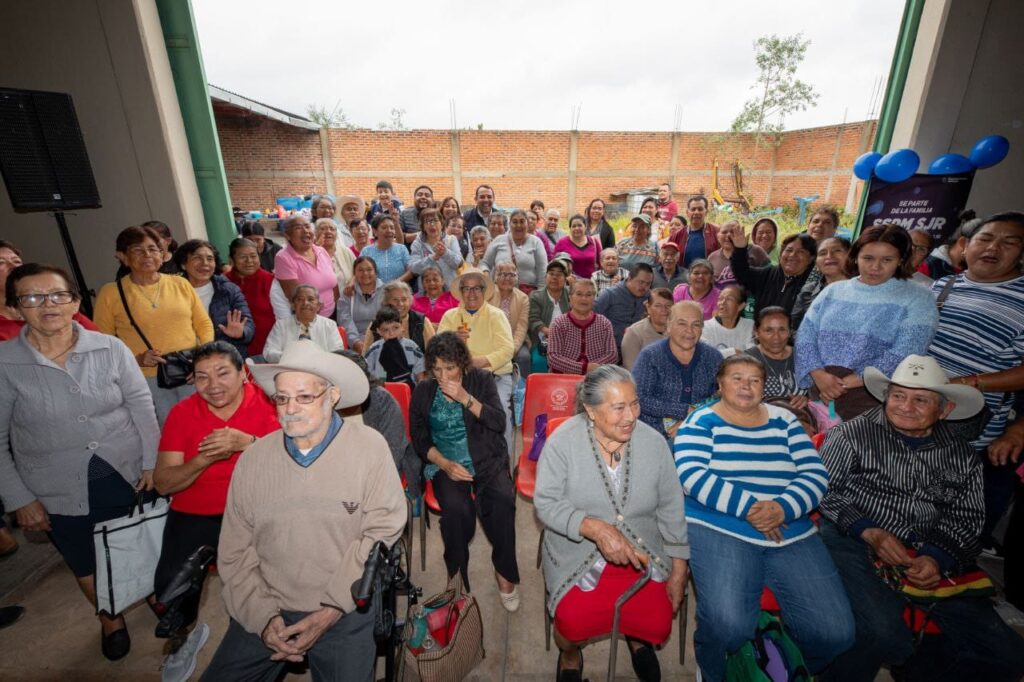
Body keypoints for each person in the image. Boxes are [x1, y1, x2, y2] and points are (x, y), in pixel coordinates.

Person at [200, 341, 406, 681]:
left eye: (304, 397)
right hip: (268, 603)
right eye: (282, 397)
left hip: (347, 605)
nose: (290, 408)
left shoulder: (369, 449)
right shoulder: (254, 460)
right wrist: (265, 619)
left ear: (332, 396)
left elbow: (381, 532)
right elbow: (235, 552)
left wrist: (331, 610)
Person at [817, 354, 1024, 682]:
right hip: (853, 540)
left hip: (929, 551)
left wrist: (936, 558)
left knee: (1008, 657)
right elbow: (824, 491)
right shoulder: (851, 434)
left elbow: (967, 518)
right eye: (898, 395)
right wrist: (870, 532)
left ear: (945, 409)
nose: (905, 406)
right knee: (883, 632)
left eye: (921, 400)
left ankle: (920, 668)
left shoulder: (961, 454)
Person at [0, 263, 159, 661]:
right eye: (32, 298)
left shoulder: (110, 347)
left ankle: (158, 596)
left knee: (139, 541)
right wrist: (19, 498)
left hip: (123, 470)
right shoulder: (4, 362)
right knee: (84, 557)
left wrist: (153, 462)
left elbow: (142, 407)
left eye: (58, 295)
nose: (47, 305)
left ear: (74, 301)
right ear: (16, 309)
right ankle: (110, 619)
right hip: (52, 486)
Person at [676, 354, 854, 682]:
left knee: (835, 633)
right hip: (719, 525)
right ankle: (714, 669)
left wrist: (783, 508)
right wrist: (752, 509)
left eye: (754, 380)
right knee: (729, 628)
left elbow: (816, 475)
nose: (746, 385)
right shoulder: (701, 422)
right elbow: (691, 475)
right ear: (720, 384)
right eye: (737, 378)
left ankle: (781, 665)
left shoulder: (784, 421)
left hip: (790, 528)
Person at [535, 366, 689, 682]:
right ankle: (570, 653)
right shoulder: (563, 442)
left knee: (658, 626)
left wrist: (678, 568)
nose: (631, 416)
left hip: (643, 552)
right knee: (570, 625)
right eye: (618, 407)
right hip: (577, 555)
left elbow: (672, 507)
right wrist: (594, 528)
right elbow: (546, 503)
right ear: (590, 409)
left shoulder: (654, 444)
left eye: (634, 404)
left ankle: (636, 640)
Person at [153, 341, 280, 681]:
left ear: (244, 373)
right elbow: (164, 483)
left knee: (280, 578)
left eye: (223, 373)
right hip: (196, 511)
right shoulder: (182, 413)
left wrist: (248, 444)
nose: (213, 386)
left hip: (257, 510)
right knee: (170, 589)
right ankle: (184, 639)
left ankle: (265, 635)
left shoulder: (272, 404)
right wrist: (204, 459)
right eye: (201, 377)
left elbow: (297, 465)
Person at [929, 212, 1024, 565]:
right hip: (922, 408)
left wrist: (968, 383)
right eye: (986, 238)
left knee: (949, 506)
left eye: (1009, 242)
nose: (994, 247)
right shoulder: (944, 286)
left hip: (971, 419)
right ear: (966, 245)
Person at [410, 332, 520, 605]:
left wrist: (465, 398)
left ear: (462, 363)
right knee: (456, 512)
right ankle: (456, 576)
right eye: (436, 369)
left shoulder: (480, 380)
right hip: (447, 462)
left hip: (486, 458)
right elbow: (420, 438)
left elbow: (498, 423)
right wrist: (445, 464)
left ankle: (504, 570)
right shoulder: (424, 389)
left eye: (449, 367)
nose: (443, 375)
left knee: (503, 501)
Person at [795, 224, 938, 420]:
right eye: (868, 258)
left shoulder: (919, 296)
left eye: (887, 260)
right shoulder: (833, 290)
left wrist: (846, 383)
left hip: (873, 395)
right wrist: (818, 375)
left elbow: (908, 350)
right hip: (821, 389)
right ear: (855, 256)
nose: (875, 267)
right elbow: (806, 335)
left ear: (901, 260)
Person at [94, 226, 214, 424]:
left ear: (162, 254)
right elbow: (102, 342)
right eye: (138, 250)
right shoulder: (111, 293)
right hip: (147, 380)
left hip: (191, 371)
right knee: (168, 433)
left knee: (204, 426)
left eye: (153, 249)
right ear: (122, 256)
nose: (147, 255)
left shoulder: (180, 284)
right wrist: (136, 360)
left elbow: (204, 325)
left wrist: (203, 360)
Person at [437, 270, 516, 452]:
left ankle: (504, 466)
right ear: (461, 292)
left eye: (476, 288)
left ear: (483, 291)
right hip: (457, 378)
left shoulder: (496, 315)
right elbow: (436, 350)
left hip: (495, 377)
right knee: (439, 412)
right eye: (466, 289)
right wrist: (451, 338)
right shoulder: (450, 316)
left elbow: (507, 350)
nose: (471, 293)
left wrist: (478, 362)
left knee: (501, 412)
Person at [633, 301, 722, 441]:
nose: (690, 330)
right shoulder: (650, 356)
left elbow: (721, 397)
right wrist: (684, 411)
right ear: (669, 326)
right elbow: (638, 399)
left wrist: (692, 420)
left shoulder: (713, 357)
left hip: (702, 429)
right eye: (682, 323)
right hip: (655, 436)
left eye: (696, 324)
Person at [334, 349, 420, 495]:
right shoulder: (324, 401)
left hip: (380, 471)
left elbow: (393, 450)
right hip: (337, 472)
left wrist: (365, 480)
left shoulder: (382, 400)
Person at [0, 239, 98, 341]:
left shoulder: (56, 304)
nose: (14, 266)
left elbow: (97, 340)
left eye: (17, 261)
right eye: (1, 262)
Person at [175, 239, 255, 359]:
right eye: (197, 258)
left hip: (226, 357)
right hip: (186, 358)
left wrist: (242, 332)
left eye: (210, 259)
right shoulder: (172, 290)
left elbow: (248, 324)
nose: (205, 263)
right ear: (183, 264)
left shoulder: (229, 289)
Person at [729, 229, 816, 317]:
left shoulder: (813, 285)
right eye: (789, 250)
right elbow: (741, 272)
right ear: (781, 253)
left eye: (801, 252)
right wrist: (740, 250)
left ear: (811, 259)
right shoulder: (766, 275)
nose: (793, 255)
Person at [547, 279, 618, 374]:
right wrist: (583, 368)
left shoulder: (604, 323)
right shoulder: (559, 323)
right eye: (579, 294)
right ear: (570, 298)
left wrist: (594, 368)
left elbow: (612, 355)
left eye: (588, 295)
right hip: (563, 379)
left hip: (596, 379)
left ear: (594, 298)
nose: (584, 298)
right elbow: (553, 357)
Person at [273, 214, 338, 317]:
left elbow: (334, 285)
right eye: (298, 227)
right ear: (287, 235)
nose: (305, 231)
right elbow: (295, 296)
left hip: (332, 314)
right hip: (308, 320)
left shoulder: (321, 251)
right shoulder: (283, 258)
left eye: (307, 226)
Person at [744, 306, 806, 408]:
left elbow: (821, 395)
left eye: (782, 330)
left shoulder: (804, 357)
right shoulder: (746, 361)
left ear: (790, 331)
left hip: (802, 419)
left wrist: (807, 400)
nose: (776, 337)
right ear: (756, 332)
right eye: (769, 330)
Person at [264, 285, 344, 362]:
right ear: (293, 305)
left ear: (318, 306)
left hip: (321, 371)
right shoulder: (281, 325)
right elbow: (269, 352)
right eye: (300, 299)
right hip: (289, 370)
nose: (305, 303)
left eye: (310, 299)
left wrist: (316, 359)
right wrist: (288, 357)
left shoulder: (329, 325)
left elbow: (337, 352)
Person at [225, 238, 275, 358]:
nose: (249, 261)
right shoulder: (223, 282)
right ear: (231, 260)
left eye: (253, 256)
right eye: (243, 257)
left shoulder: (271, 280)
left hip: (268, 348)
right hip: (233, 350)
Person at [790, 236, 850, 331]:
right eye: (822, 253)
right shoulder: (809, 290)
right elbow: (793, 326)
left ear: (851, 257)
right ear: (817, 265)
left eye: (837, 250)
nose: (829, 256)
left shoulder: (864, 290)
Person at [361, 281, 435, 355]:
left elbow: (434, 354)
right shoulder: (376, 325)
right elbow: (366, 357)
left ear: (410, 301)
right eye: (395, 300)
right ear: (386, 302)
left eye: (404, 299)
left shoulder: (422, 322)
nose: (400, 304)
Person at [482, 209, 549, 292]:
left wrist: (540, 295)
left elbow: (542, 271)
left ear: (527, 224)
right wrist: (486, 275)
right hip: (500, 293)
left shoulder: (536, 242)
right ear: (510, 224)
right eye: (515, 222)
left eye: (522, 222)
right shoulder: (499, 240)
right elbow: (484, 263)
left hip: (528, 294)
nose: (518, 225)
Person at [594, 263, 654, 349]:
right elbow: (592, 318)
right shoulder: (610, 294)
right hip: (611, 347)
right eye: (641, 282)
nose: (644, 287)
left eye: (648, 284)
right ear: (629, 279)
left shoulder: (649, 296)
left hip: (639, 347)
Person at [364, 306, 426, 387]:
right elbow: (368, 374)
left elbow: (420, 375)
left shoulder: (412, 347)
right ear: (379, 331)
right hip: (383, 390)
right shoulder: (374, 349)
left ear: (402, 327)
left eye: (395, 328)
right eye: (386, 330)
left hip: (408, 391)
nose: (391, 333)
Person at [489, 261, 531, 379]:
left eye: (511, 275)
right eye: (502, 274)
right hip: (492, 340)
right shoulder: (488, 294)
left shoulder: (523, 298)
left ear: (517, 278)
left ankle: (521, 392)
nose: (507, 278)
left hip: (515, 340)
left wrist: (512, 349)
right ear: (495, 277)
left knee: (524, 357)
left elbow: (522, 327)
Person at [336, 256, 385, 353]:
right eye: (360, 270)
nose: (365, 273)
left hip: (382, 339)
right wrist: (355, 341)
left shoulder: (386, 292)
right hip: (355, 342)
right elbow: (345, 321)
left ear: (375, 272)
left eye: (369, 269)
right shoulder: (347, 294)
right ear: (354, 273)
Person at [410, 207, 463, 287]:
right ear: (423, 227)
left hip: (450, 291)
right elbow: (414, 269)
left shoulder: (451, 239)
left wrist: (445, 253)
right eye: (427, 221)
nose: (432, 224)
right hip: (428, 292)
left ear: (441, 224)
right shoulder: (417, 243)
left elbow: (458, 263)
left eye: (435, 220)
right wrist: (433, 257)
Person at [621, 287, 672, 370]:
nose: (664, 310)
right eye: (658, 306)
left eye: (668, 305)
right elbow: (632, 369)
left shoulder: (679, 331)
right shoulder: (634, 333)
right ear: (648, 308)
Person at [706, 221, 769, 287]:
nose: (728, 235)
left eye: (733, 231)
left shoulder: (756, 251)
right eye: (724, 232)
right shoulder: (712, 257)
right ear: (718, 236)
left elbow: (770, 277)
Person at [528, 259, 571, 351]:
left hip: (568, 339)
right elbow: (533, 319)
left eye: (559, 274)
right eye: (551, 274)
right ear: (545, 277)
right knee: (539, 361)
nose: (554, 278)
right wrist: (548, 331)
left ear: (565, 279)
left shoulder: (571, 294)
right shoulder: (535, 296)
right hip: (542, 340)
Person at [700, 285, 753, 357]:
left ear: (741, 306)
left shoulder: (749, 325)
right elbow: (707, 355)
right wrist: (733, 351)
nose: (722, 302)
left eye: (729, 299)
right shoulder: (706, 327)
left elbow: (753, 353)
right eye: (720, 298)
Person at [667, 195, 720, 267]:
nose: (696, 212)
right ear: (687, 212)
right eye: (693, 209)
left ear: (706, 212)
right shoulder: (676, 236)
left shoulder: (716, 233)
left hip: (709, 276)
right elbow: (667, 257)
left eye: (700, 209)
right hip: (683, 277)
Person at [362, 214, 411, 284]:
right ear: (375, 231)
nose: (389, 230)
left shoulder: (401, 249)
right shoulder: (366, 251)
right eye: (384, 227)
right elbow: (360, 272)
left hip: (399, 290)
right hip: (375, 292)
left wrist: (395, 283)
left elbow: (410, 271)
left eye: (392, 228)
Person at [314, 217, 356, 292]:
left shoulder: (344, 251)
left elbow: (358, 270)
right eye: (323, 229)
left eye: (332, 229)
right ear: (315, 232)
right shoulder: (311, 253)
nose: (328, 232)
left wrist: (352, 282)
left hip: (347, 299)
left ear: (336, 234)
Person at [555, 213, 602, 279]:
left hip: (591, 284)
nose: (577, 228)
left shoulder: (594, 242)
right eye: (574, 226)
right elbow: (555, 265)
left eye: (580, 225)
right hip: (570, 285)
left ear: (585, 227)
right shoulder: (561, 243)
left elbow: (601, 263)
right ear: (570, 228)